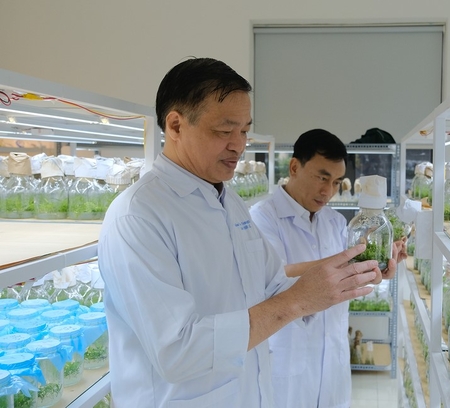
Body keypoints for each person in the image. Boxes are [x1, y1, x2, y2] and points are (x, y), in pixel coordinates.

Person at [97, 58, 381, 408]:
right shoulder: (138, 216)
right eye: (224, 130)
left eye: (244, 130)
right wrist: (297, 300)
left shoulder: (227, 199)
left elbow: (272, 283)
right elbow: (177, 351)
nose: (239, 144)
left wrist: (346, 274)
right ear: (175, 125)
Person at [250, 129, 407, 408]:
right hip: (286, 359)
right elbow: (274, 275)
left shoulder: (334, 222)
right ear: (294, 167)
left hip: (333, 360)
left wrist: (375, 266)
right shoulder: (262, 218)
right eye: (322, 177)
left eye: (336, 182)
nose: (328, 191)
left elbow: (343, 281)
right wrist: (348, 261)